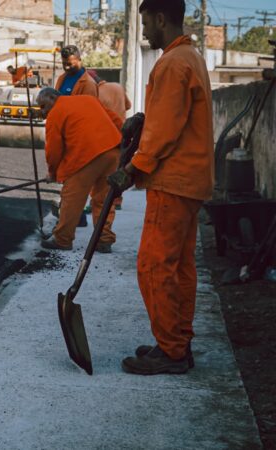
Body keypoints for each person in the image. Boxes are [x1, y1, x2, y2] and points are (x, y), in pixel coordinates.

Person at [107, 0, 213, 375]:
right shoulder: (190, 57)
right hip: (190, 181)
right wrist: (144, 119)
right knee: (179, 267)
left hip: (173, 181)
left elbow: (165, 130)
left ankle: (171, 352)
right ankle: (176, 342)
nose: (145, 31)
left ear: (161, 18)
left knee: (154, 265)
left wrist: (133, 169)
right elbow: (171, 118)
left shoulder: (172, 63)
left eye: (146, 23)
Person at [36, 87, 123, 253]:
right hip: (113, 152)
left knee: (72, 198)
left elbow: (53, 150)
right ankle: (104, 240)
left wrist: (52, 173)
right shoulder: (88, 99)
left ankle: (62, 239)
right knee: (103, 199)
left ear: (53, 98)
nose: (43, 111)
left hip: (86, 156)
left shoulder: (55, 113)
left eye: (43, 106)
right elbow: (116, 120)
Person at [88, 69, 132, 210]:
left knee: (100, 171)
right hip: (123, 133)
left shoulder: (96, 94)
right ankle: (117, 200)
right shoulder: (118, 87)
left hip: (106, 136)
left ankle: (98, 201)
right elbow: (128, 106)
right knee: (119, 167)